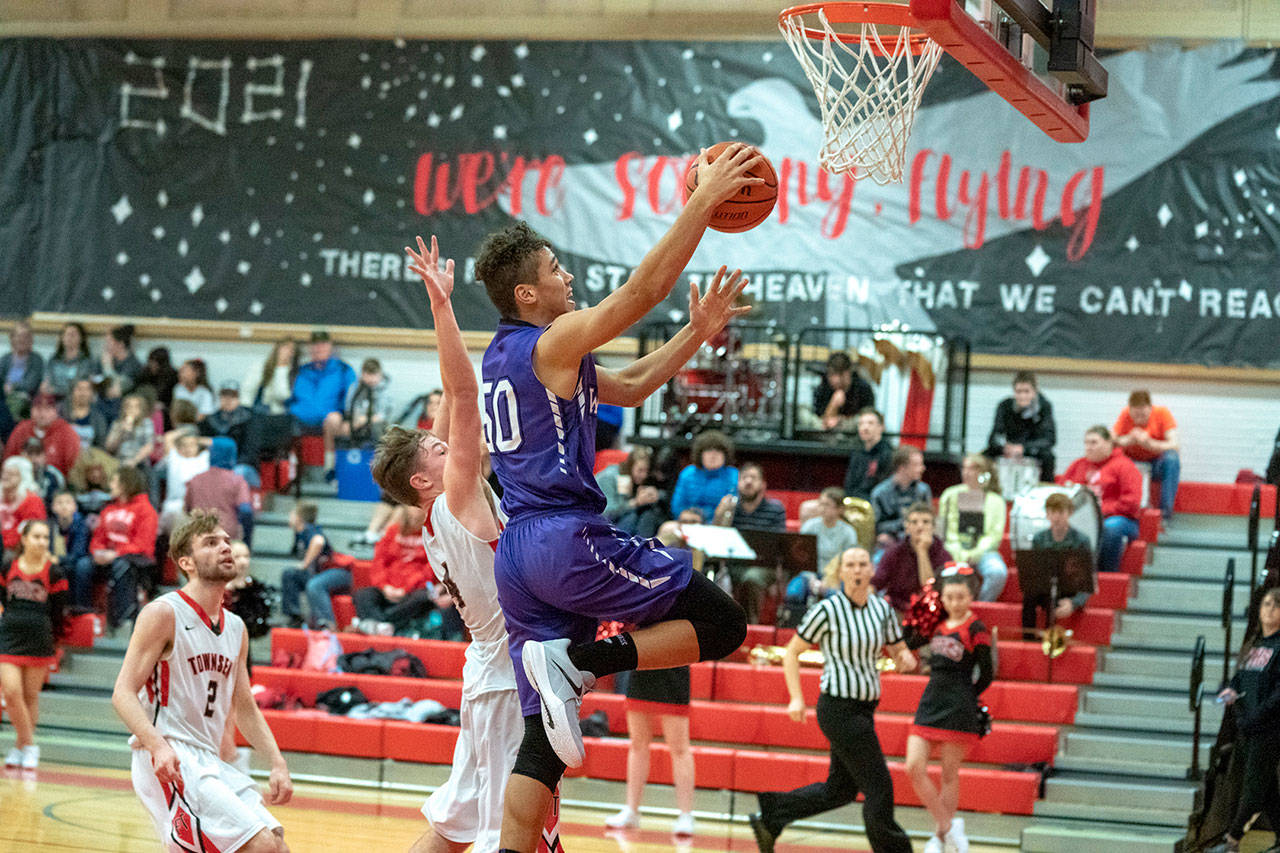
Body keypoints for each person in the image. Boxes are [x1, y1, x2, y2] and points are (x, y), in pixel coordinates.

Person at [476, 148, 758, 852]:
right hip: (564, 538)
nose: (567, 276)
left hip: (520, 552)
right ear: (527, 295)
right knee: (724, 622)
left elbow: (628, 387)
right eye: (555, 270)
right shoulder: (552, 341)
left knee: (543, 738)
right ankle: (585, 662)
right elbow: (641, 293)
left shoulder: (509, 355)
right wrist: (702, 201)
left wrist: (696, 333)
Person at [374, 234, 563, 853]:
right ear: (422, 480)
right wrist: (440, 304)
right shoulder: (457, 499)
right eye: (438, 448)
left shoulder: (437, 512)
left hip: (488, 670)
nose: (450, 441)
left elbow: (446, 407)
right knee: (505, 835)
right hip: (505, 678)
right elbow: (462, 393)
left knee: (452, 829)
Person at [111, 510, 293, 853]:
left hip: (207, 760)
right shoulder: (163, 613)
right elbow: (122, 693)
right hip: (170, 755)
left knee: (277, 846)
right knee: (261, 846)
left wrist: (276, 762)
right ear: (187, 563)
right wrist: (157, 746)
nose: (225, 547)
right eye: (211, 543)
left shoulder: (235, 627)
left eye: (226, 541)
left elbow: (245, 707)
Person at [748, 546, 916, 853]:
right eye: (850, 565)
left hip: (865, 709)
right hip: (838, 708)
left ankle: (772, 816)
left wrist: (906, 657)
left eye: (862, 564)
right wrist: (796, 698)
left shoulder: (882, 610)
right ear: (840, 572)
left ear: (871, 571)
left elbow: (897, 648)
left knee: (839, 791)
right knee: (879, 787)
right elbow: (792, 653)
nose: (857, 570)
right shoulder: (828, 610)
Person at [905, 564, 994, 853]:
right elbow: (909, 641)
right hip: (931, 700)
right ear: (942, 598)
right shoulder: (937, 624)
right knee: (913, 767)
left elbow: (987, 673)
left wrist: (968, 696)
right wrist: (913, 617)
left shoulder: (976, 628)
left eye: (961, 597)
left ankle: (939, 838)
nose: (955, 603)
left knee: (948, 774)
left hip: (958, 705)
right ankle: (949, 826)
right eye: (950, 597)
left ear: (970, 597)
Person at [1209, 587, 1280, 853]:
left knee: (1252, 791)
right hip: (1246, 727)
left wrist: (1256, 716)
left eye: (1276, 605)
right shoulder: (1255, 644)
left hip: (1268, 729)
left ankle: (1232, 840)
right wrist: (1228, 690)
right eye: (1266, 604)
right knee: (1267, 791)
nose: (1269, 609)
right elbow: (1238, 680)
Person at [0, 519, 66, 770]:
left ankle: (20, 748)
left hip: (39, 638)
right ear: (24, 539)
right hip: (8, 636)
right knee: (11, 692)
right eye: (36, 536)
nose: (41, 542)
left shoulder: (55, 572)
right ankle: (30, 745)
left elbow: (59, 612)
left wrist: (56, 642)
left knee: (30, 697)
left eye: (45, 537)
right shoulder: (8, 566)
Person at [604, 665, 697, 836]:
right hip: (643, 665)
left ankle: (686, 815)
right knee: (637, 743)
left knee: (679, 747)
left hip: (674, 667)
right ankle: (631, 811)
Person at [81, 466, 158, 629]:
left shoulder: (146, 510)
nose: (110, 485)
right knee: (83, 565)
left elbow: (143, 544)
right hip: (109, 556)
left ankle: (124, 620)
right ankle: (83, 614)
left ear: (126, 484)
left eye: (114, 481)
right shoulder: (108, 509)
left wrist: (115, 554)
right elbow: (98, 538)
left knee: (121, 566)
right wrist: (97, 552)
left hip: (136, 559)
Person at [1062, 426, 1141, 572]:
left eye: (1094, 442)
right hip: (1082, 517)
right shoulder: (1078, 465)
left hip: (1120, 519)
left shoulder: (1124, 466)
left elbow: (1132, 502)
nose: (1088, 447)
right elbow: (1061, 492)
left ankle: (1105, 575)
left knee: (1110, 528)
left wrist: (1098, 511)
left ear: (1109, 443)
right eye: (1086, 443)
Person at [353, 506, 441, 636]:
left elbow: (431, 568)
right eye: (411, 518)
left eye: (417, 519)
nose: (413, 521)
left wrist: (406, 588)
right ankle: (384, 626)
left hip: (414, 590)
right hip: (388, 588)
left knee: (423, 598)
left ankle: (378, 624)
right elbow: (379, 561)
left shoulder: (433, 536)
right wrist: (385, 586)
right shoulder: (393, 531)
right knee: (363, 595)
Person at [936, 454, 1008, 602]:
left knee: (997, 573)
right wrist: (958, 550)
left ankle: (979, 605)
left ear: (982, 472)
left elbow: (994, 535)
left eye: (972, 469)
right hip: (953, 549)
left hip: (984, 552)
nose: (966, 473)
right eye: (964, 468)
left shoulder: (996, 501)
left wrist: (976, 552)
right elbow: (944, 530)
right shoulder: (950, 495)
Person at [289, 330, 356, 477]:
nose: (319, 348)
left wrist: (349, 419)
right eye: (315, 345)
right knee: (279, 419)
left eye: (323, 344)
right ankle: (290, 473)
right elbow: (287, 398)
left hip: (329, 421)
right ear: (310, 348)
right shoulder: (300, 371)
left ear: (330, 347)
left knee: (333, 419)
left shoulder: (343, 370)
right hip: (298, 419)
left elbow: (353, 400)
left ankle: (330, 469)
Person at [1026, 492, 1093, 635]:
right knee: (1030, 593)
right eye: (1052, 512)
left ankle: (1051, 637)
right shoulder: (1039, 539)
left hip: (1068, 589)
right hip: (1047, 588)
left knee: (1054, 596)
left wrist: (1074, 602)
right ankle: (1028, 637)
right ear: (1047, 514)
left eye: (1061, 512)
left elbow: (1087, 580)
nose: (1056, 517)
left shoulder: (1082, 541)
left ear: (1070, 513)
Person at [872, 502, 953, 613]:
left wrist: (922, 552)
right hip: (898, 610)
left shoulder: (944, 556)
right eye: (914, 522)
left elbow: (930, 590)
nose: (920, 527)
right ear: (907, 527)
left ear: (933, 527)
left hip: (932, 611)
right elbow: (876, 583)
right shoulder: (894, 553)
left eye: (926, 522)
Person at [1112, 390, 1180, 522]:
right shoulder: (1125, 414)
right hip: (1132, 463)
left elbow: (1175, 445)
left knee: (1172, 458)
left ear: (1150, 408)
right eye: (1135, 415)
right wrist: (1128, 440)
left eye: (1142, 415)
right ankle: (1121, 510)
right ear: (1130, 410)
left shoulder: (1162, 413)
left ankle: (1164, 516)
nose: (1139, 419)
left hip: (1156, 464)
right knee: (1114, 455)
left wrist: (1150, 443)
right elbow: (1111, 441)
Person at [279, 501, 343, 629]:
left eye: (291, 514)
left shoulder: (309, 529)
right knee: (289, 574)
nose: (289, 517)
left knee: (314, 585)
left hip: (336, 571)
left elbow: (318, 541)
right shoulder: (298, 534)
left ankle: (327, 624)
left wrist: (304, 564)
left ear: (299, 517)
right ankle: (295, 617)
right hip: (318, 573)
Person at [984, 371, 1056, 483]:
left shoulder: (1044, 407)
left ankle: (1045, 487)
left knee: (1048, 457)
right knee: (984, 456)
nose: (1022, 396)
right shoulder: (1005, 406)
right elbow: (994, 436)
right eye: (1019, 392)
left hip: (1030, 448)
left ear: (1034, 392)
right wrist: (1004, 447)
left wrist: (1023, 448)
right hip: (1009, 447)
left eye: (1026, 391)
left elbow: (1049, 439)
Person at [185, 439, 254, 545]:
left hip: (200, 535)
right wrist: (246, 540)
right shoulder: (237, 481)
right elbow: (246, 510)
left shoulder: (195, 480)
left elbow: (187, 509)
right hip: (226, 537)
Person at [4, 391, 81, 476]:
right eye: (38, 409)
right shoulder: (22, 429)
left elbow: (74, 468)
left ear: (56, 411)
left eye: (47, 409)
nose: (42, 414)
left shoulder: (67, 433)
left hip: (55, 479)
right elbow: (8, 459)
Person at [669, 429, 738, 522]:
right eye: (708, 451)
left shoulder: (733, 475)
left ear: (726, 455)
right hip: (688, 522)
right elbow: (677, 505)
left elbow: (733, 508)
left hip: (719, 523)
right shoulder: (688, 473)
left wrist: (706, 517)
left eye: (718, 451)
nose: (713, 456)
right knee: (667, 527)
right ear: (700, 454)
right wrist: (686, 515)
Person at [870, 446, 931, 550]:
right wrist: (903, 524)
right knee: (882, 539)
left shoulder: (923, 490)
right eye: (917, 465)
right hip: (891, 540)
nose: (922, 468)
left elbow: (928, 519)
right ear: (902, 468)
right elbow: (877, 526)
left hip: (917, 538)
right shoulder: (880, 493)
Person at [801, 487, 861, 572]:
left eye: (827, 505)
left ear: (840, 509)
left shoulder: (848, 531)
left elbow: (849, 559)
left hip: (837, 573)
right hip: (810, 572)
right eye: (821, 504)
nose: (822, 508)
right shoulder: (809, 526)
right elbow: (802, 555)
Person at [812, 351, 874, 432]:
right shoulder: (822, 388)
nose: (836, 380)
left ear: (849, 372)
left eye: (841, 374)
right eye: (832, 374)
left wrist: (843, 421)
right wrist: (833, 404)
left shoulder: (863, 388)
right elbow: (820, 418)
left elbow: (868, 414)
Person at [0, 456, 47, 558]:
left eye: (11, 474)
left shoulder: (32, 501)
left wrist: (3, 543)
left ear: (23, 477)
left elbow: (29, 533)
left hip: (17, 551)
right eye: (4, 473)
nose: (5, 477)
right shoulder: (1, 497)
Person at [844, 408, 894, 501]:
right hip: (854, 501)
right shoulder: (857, 454)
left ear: (881, 427)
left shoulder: (888, 454)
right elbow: (849, 485)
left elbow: (883, 489)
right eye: (861, 424)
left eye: (870, 423)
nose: (865, 428)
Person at [341, 357, 392, 446]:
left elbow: (382, 415)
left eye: (374, 375)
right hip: (356, 420)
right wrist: (353, 421)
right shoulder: (355, 387)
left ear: (380, 375)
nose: (371, 380)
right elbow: (348, 407)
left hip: (376, 423)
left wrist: (364, 420)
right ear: (362, 374)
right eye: (368, 375)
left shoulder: (385, 389)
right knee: (342, 427)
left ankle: (379, 453)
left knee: (377, 429)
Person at [1, 320, 44, 419]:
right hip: (4, 399)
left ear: (31, 340)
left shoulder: (37, 359)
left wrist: (12, 386)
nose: (22, 339)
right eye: (19, 336)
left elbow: (31, 385)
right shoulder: (5, 358)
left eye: (26, 336)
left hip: (26, 402)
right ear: (12, 338)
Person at [244, 338, 299, 415]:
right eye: (285, 347)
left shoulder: (295, 372)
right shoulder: (261, 366)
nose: (287, 352)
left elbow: (283, 396)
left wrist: (281, 368)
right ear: (277, 349)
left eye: (292, 350)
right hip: (260, 411)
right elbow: (248, 389)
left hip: (282, 413)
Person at [48, 490, 90, 590]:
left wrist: (58, 559)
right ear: (53, 507)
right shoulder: (49, 525)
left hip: (74, 562)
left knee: (82, 565)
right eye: (59, 503)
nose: (64, 506)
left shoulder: (82, 525)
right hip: (54, 561)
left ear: (75, 507)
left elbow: (79, 553)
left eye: (68, 502)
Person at [42, 321, 94, 400]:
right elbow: (46, 384)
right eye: (66, 334)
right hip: (54, 401)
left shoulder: (87, 361)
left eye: (73, 335)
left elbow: (80, 387)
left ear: (82, 338)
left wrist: (56, 390)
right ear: (62, 338)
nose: (69, 338)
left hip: (76, 401)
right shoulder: (53, 360)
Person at [103, 392, 156, 471]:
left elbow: (149, 446)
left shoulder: (146, 423)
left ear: (141, 410)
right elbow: (109, 448)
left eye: (136, 407)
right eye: (129, 407)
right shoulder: (117, 424)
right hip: (119, 463)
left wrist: (134, 461)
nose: (132, 410)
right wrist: (121, 432)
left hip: (139, 464)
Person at [60, 377, 108, 448]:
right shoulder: (61, 412)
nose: (83, 393)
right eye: (79, 389)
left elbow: (100, 443)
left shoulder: (98, 418)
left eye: (87, 390)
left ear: (91, 393)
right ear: (72, 392)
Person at [23, 435, 65, 511]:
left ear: (44, 456)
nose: (33, 459)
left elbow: (60, 498)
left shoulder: (54, 475)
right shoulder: (16, 474)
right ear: (23, 455)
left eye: (37, 454)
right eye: (30, 454)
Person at [100, 323, 143, 397]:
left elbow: (115, 392)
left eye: (109, 342)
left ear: (121, 344)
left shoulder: (133, 364)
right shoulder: (108, 359)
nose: (105, 346)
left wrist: (107, 367)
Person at [136, 346, 180, 412]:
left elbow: (173, 399)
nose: (151, 365)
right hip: (145, 405)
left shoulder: (172, 377)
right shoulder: (145, 373)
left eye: (154, 362)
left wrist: (164, 406)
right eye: (150, 361)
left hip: (164, 409)